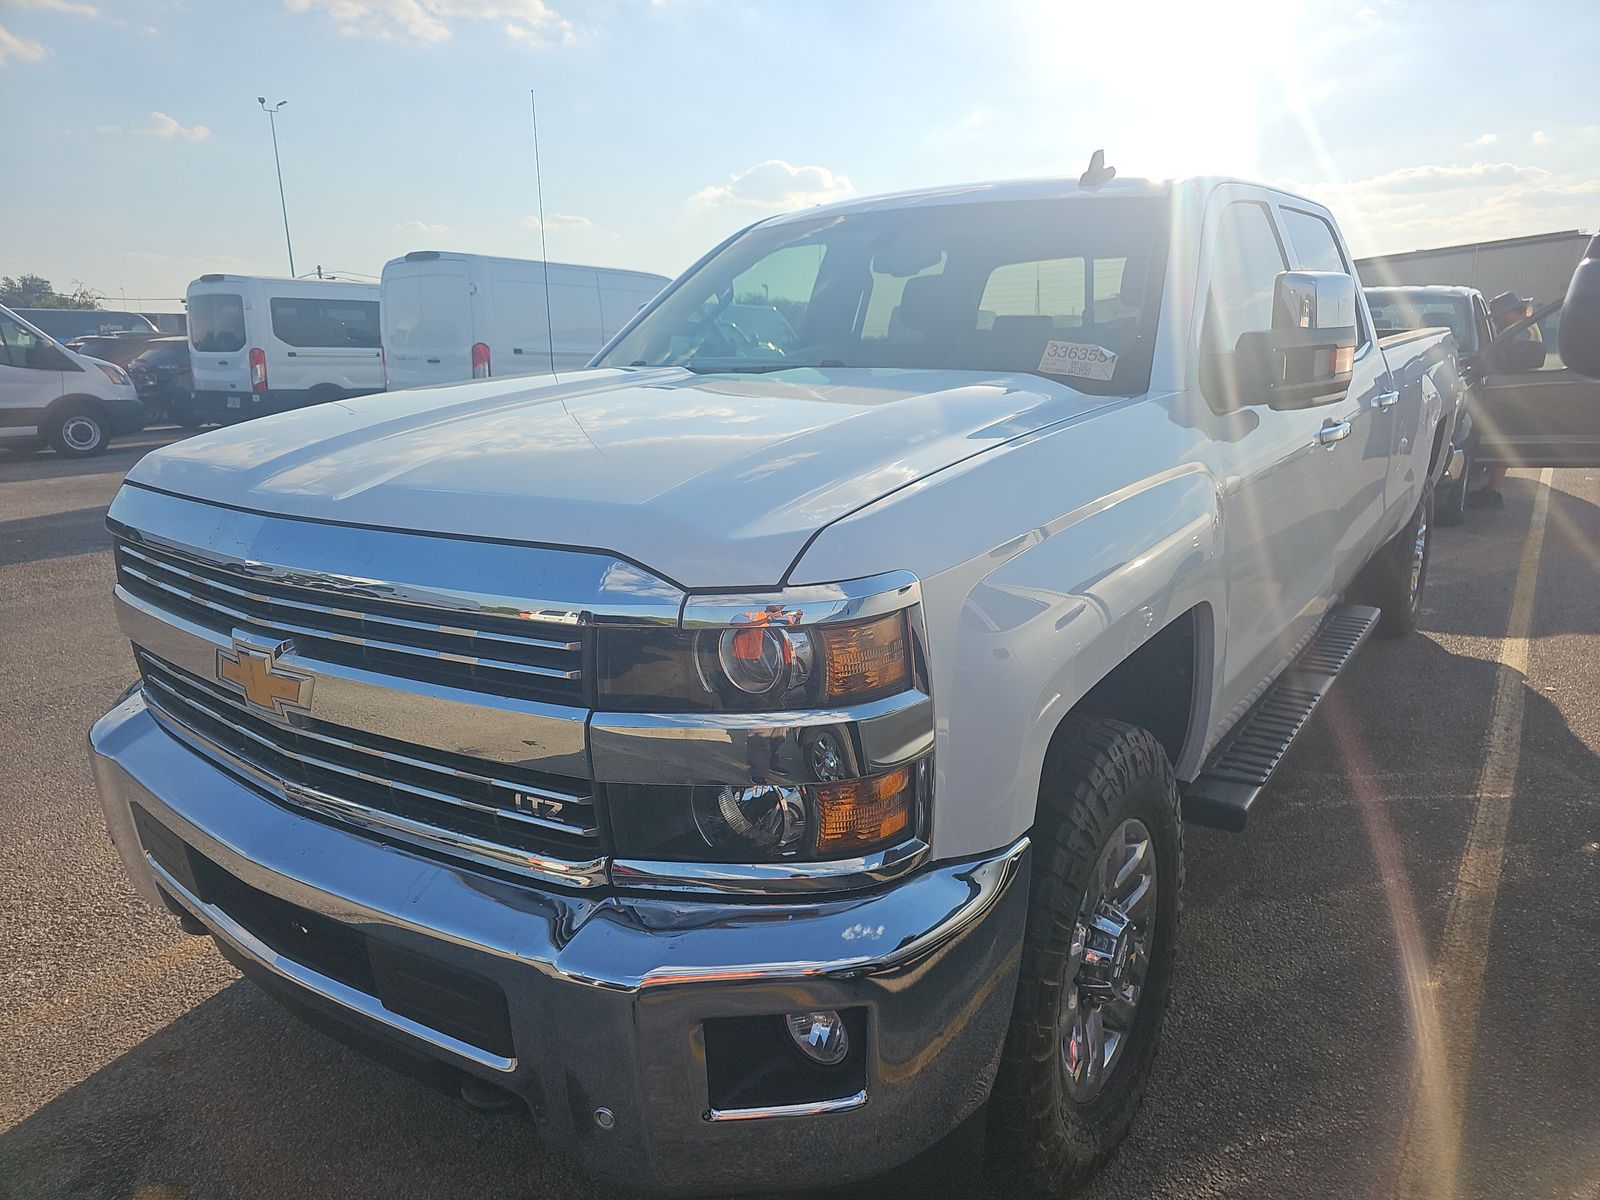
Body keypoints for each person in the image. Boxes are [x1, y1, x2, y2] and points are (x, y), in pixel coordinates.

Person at [1471, 290, 1535, 508]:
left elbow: (1509, 363)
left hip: (1514, 394)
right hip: (1513, 392)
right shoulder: (1520, 329)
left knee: (1503, 442)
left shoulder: (1521, 333)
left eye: (1498, 317)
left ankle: (1493, 492)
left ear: (1508, 315)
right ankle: (1492, 488)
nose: (1496, 322)